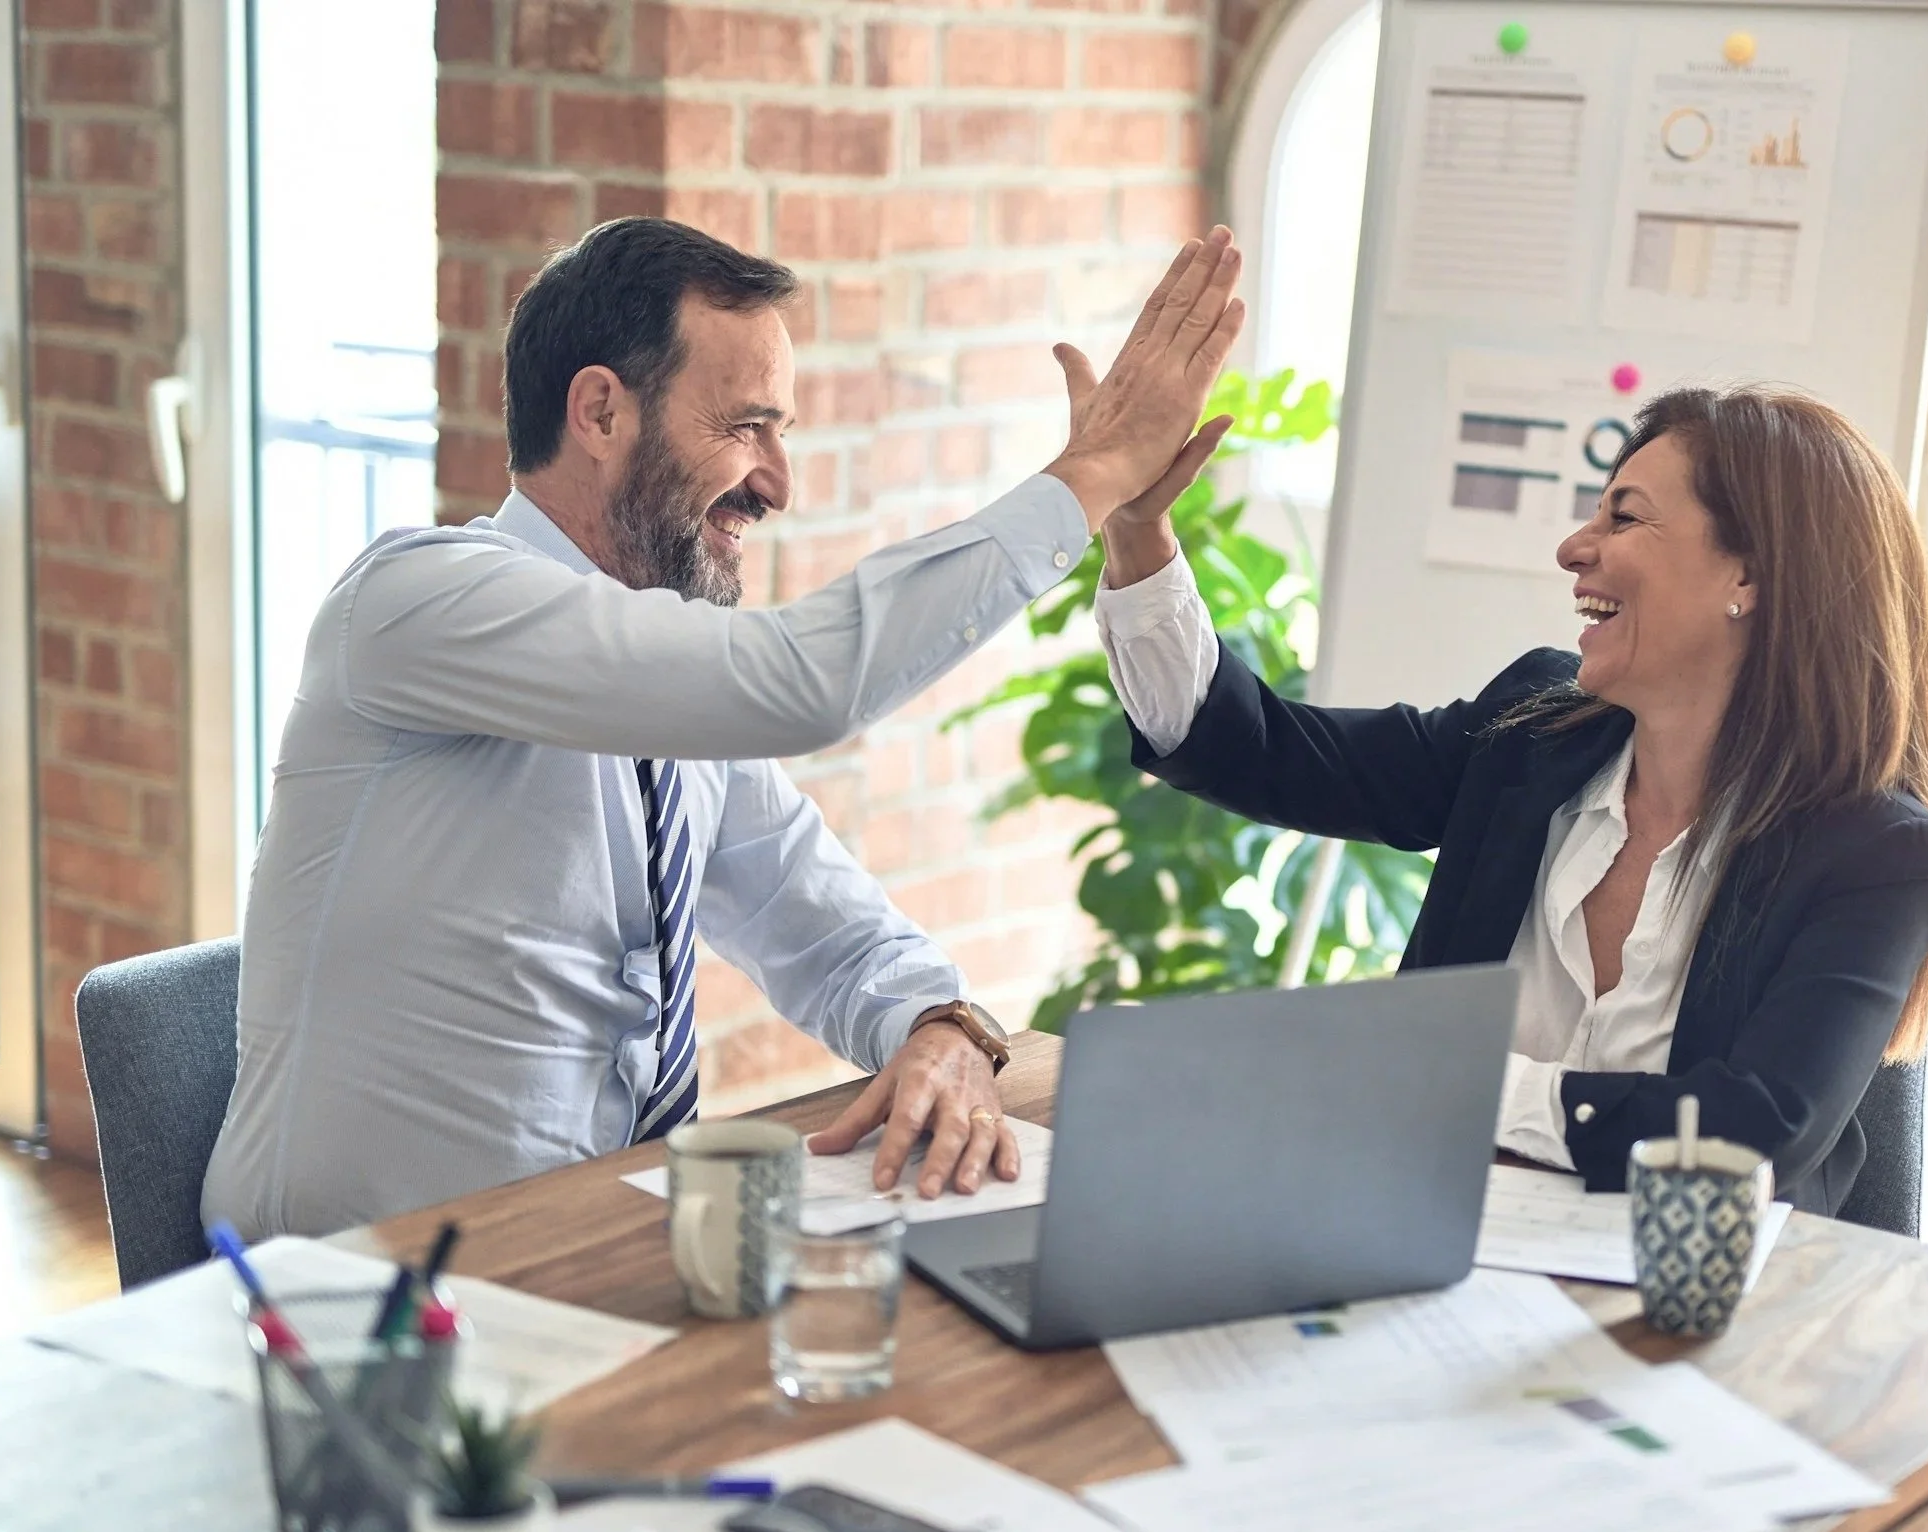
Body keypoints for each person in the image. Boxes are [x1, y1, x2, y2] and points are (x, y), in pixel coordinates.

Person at [202, 216, 1244, 1238]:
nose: (777, 482)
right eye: (747, 425)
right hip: (351, 1298)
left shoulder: (669, 700)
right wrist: (1094, 474)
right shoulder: (418, 602)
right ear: (601, 413)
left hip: (589, 1256)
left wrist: (941, 1026)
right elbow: (802, 683)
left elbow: (826, 927)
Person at [1093, 385, 1928, 1213]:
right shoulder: (1532, 737)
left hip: (1702, 1320)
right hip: (1430, 1252)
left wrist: (1454, 1082)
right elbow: (1259, 750)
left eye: (1623, 516)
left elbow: (1748, 1137)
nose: (1574, 548)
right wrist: (1138, 530)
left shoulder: (1877, 857)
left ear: (1750, 576)